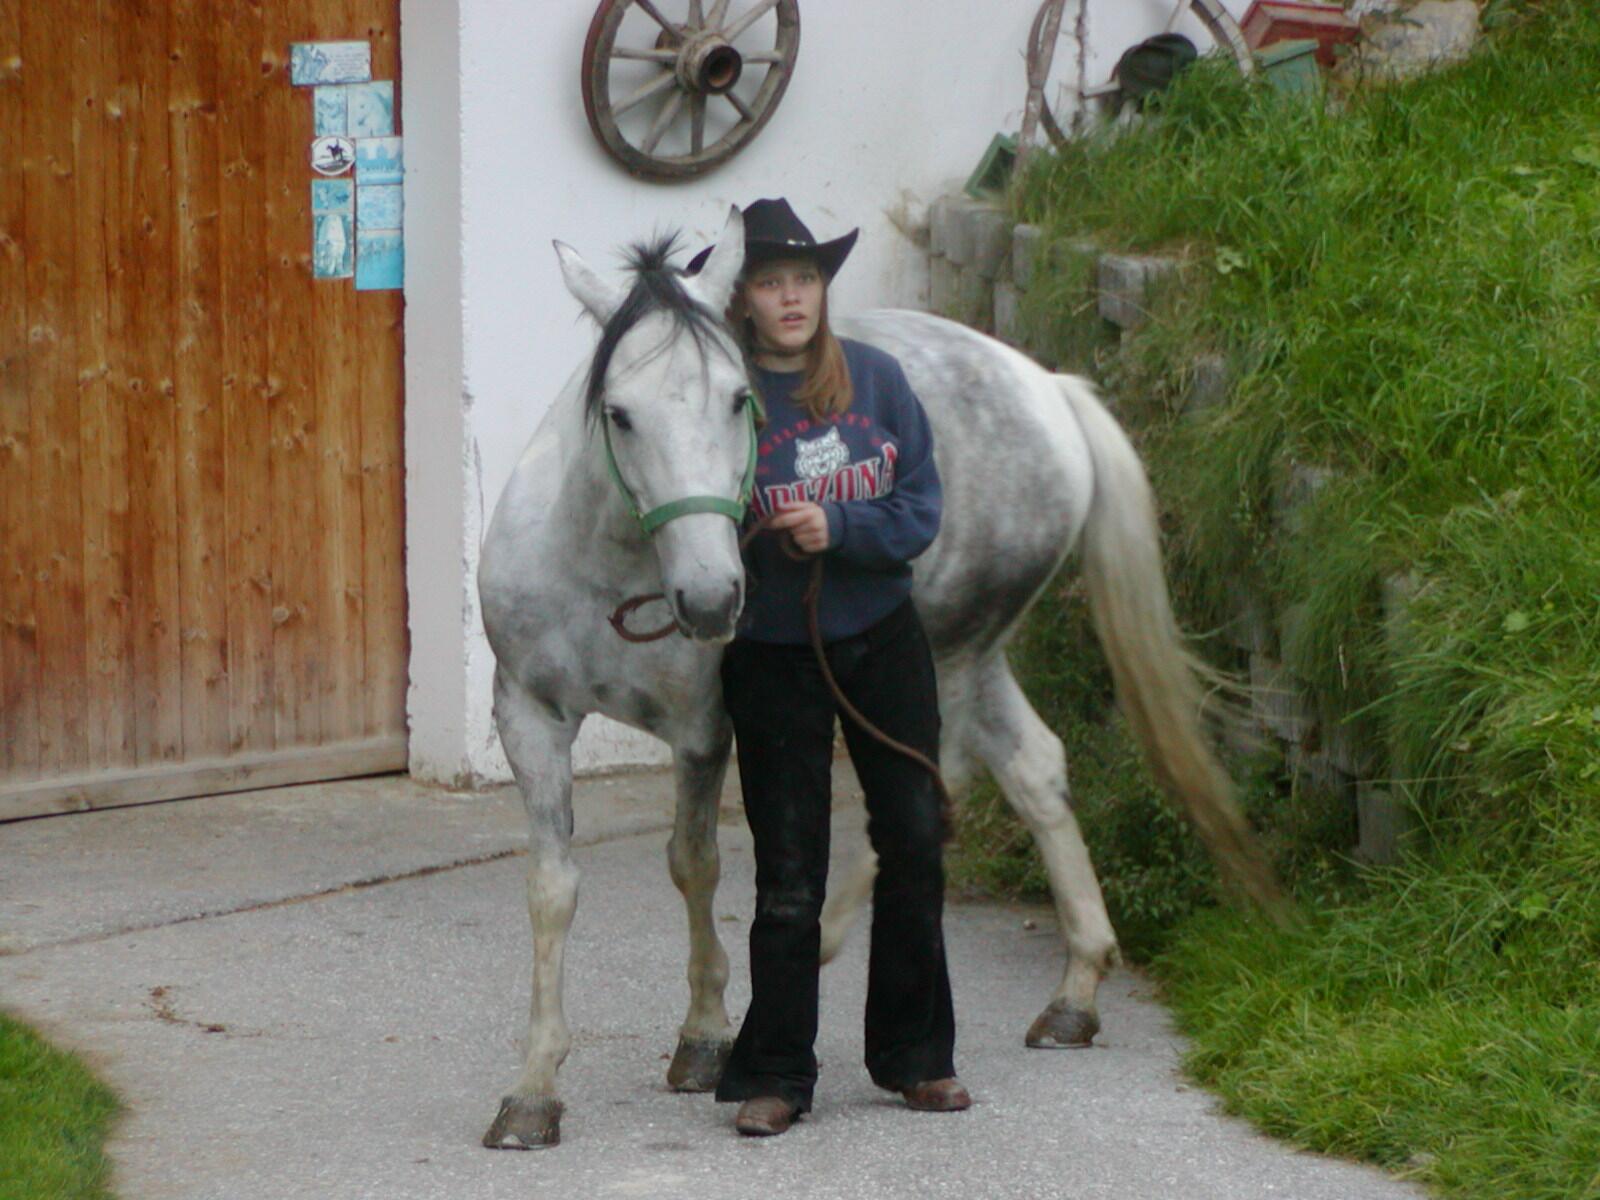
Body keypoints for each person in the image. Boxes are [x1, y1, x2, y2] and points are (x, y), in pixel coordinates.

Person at [690, 198, 972, 1137]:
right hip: (771, 654)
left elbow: (919, 510)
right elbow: (690, 518)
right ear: (742, 298)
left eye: (804, 279)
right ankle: (776, 1071)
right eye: (771, 281)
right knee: (790, 871)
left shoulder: (879, 382)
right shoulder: (721, 394)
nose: (791, 297)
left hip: (883, 637)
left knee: (914, 840)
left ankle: (916, 1057)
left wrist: (839, 524)